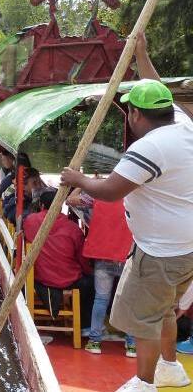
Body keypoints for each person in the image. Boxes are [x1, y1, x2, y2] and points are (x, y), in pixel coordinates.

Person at [60, 75, 193, 391]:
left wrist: (77, 178)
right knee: (163, 311)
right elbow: (157, 85)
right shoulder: (185, 126)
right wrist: (142, 55)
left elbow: (109, 190)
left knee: (142, 319)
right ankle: (170, 367)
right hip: (186, 248)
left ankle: (144, 383)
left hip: (159, 252)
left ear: (135, 114)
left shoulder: (149, 147)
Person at [66, 189, 137, 357]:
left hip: (103, 254)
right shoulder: (136, 196)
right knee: (129, 301)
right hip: (127, 255)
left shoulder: (100, 194)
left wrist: (79, 183)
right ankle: (132, 344)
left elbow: (71, 200)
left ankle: (95, 342)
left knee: (101, 298)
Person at [24, 190, 93, 328]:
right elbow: (82, 259)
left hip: (40, 278)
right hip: (68, 279)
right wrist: (89, 271)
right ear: (60, 206)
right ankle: (84, 325)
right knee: (91, 284)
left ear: (41, 205)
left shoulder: (30, 221)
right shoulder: (73, 228)